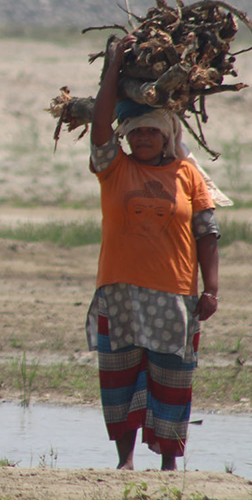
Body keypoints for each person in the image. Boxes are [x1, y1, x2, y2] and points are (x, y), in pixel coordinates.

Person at [84, 35, 223, 470]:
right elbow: (101, 126)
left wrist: (212, 289)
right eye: (136, 130)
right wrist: (113, 68)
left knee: (171, 380)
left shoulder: (188, 174)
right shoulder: (114, 168)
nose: (143, 136)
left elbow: (207, 232)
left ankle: (167, 464)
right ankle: (125, 461)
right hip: (121, 291)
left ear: (166, 136)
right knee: (120, 377)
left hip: (176, 293)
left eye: (151, 130)